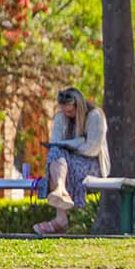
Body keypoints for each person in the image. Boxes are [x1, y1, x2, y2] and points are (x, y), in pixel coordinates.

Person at [33, 87, 109, 236]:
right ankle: (61, 191)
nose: (67, 115)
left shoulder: (95, 116)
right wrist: (76, 144)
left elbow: (92, 149)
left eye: (70, 112)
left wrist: (72, 145)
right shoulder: (61, 117)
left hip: (92, 163)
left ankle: (60, 218)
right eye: (64, 111)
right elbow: (55, 142)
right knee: (55, 152)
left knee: (60, 158)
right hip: (67, 161)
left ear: (78, 107)